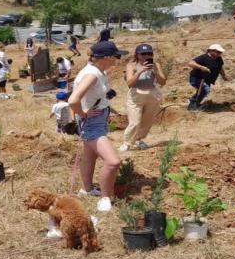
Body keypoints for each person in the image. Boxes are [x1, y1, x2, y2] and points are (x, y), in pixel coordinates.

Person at [68, 41, 124, 212]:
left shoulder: (98, 71)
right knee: (113, 162)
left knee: (89, 156)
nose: (118, 59)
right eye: (117, 56)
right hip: (92, 122)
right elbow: (73, 100)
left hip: (98, 118)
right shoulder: (91, 75)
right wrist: (83, 114)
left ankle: (86, 189)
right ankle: (105, 198)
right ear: (106, 57)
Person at [120, 43, 166, 151]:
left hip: (152, 94)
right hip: (136, 94)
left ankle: (138, 139)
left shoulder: (156, 65)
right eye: (143, 54)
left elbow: (163, 82)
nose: (147, 56)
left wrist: (155, 72)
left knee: (147, 121)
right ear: (137, 55)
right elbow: (129, 83)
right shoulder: (131, 65)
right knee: (135, 121)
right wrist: (141, 70)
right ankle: (127, 142)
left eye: (149, 54)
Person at [187, 44, 229, 111]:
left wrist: (224, 76)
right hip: (197, 78)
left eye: (220, 52)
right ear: (211, 51)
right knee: (205, 89)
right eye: (218, 52)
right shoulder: (204, 57)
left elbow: (220, 67)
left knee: (204, 91)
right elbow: (190, 63)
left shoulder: (219, 59)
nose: (219, 54)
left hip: (207, 80)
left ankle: (195, 103)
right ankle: (192, 103)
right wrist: (201, 67)